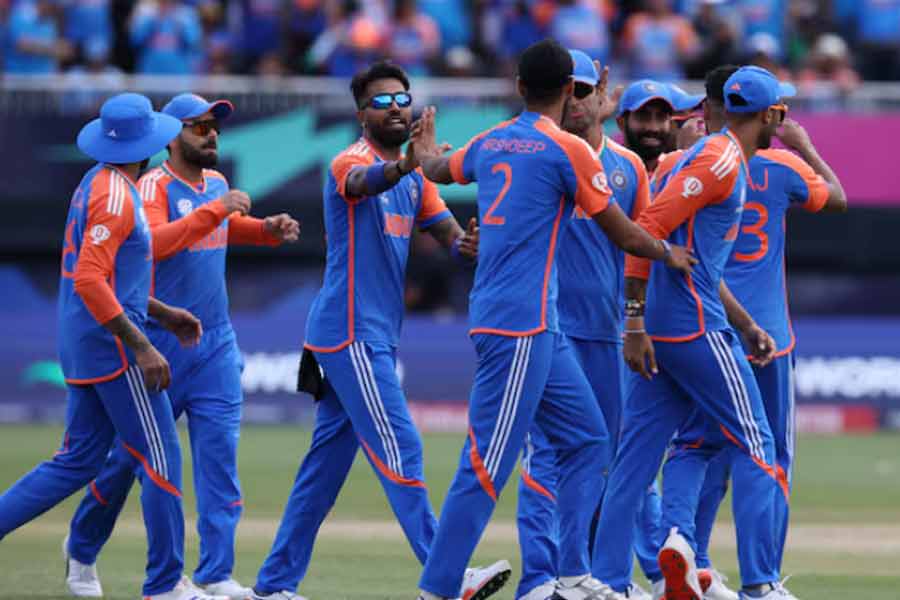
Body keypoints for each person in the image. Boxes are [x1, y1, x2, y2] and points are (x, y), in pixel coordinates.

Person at [412, 39, 696, 600]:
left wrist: (422, 156)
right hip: (519, 324)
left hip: (542, 324)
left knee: (589, 441)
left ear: (518, 87)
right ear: (570, 91)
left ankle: (571, 574)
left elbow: (441, 169)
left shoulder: (492, 140)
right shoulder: (569, 151)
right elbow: (620, 230)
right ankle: (438, 588)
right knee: (487, 463)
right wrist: (669, 253)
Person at [247, 61, 498, 600]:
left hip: (371, 334)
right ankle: (446, 576)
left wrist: (469, 244)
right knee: (400, 444)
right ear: (362, 114)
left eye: (402, 99)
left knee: (322, 474)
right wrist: (408, 164)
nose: (395, 108)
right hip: (350, 332)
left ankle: (272, 587)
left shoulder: (415, 181)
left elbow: (450, 236)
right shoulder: (350, 162)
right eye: (382, 102)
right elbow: (362, 183)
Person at [62, 93, 300, 600]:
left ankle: (215, 573)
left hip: (215, 340)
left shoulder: (214, 182)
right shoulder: (150, 186)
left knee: (219, 461)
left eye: (214, 126)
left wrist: (264, 230)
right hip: (159, 342)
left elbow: (222, 229)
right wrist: (216, 212)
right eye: (199, 126)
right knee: (130, 461)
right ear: (171, 136)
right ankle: (82, 544)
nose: (211, 134)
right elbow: (159, 242)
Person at [0, 93, 224, 600]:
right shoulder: (118, 197)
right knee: (162, 459)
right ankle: (164, 585)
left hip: (87, 343)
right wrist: (143, 344)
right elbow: (90, 280)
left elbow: (110, 276)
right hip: (112, 351)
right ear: (149, 141)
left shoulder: (96, 183)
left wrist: (161, 312)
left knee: (75, 461)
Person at [591, 65, 794, 600]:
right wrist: (633, 322)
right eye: (783, 110)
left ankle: (612, 580)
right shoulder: (722, 160)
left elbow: (692, 258)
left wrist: (744, 323)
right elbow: (650, 230)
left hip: (665, 329)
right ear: (770, 115)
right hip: (693, 328)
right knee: (757, 446)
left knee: (637, 460)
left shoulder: (711, 159)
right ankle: (760, 584)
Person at [660, 65, 847, 600]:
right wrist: (805, 144)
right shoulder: (779, 164)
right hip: (767, 330)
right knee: (768, 456)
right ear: (764, 113)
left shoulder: (688, 161)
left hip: (708, 325)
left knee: (696, 446)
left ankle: (690, 555)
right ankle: (761, 580)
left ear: (709, 107)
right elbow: (836, 197)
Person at [514, 50, 660, 600]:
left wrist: (635, 324)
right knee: (546, 457)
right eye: (565, 89)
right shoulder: (537, 158)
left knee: (606, 460)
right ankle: (539, 580)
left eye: (582, 89)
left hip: (607, 335)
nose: (573, 101)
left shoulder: (627, 167)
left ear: (602, 89)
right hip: (550, 330)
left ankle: (595, 577)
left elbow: (641, 253)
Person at [616, 80, 677, 174]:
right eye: (643, 116)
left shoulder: (677, 170)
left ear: (671, 123)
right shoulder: (605, 169)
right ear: (621, 123)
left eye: (661, 117)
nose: (653, 128)